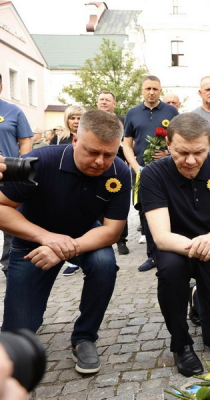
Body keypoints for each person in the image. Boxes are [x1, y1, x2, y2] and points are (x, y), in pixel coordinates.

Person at [0, 110, 130, 374]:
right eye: (92, 152)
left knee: (105, 262)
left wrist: (61, 249)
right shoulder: (38, 161)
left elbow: (112, 232)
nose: (100, 161)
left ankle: (85, 338)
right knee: (16, 338)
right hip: (32, 241)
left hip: (84, 237)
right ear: (74, 139)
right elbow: (2, 208)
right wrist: (46, 238)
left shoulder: (120, 172)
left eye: (109, 154)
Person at [140, 113, 210, 376]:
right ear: (169, 146)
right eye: (182, 152)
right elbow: (162, 236)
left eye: (199, 152)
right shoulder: (152, 174)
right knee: (172, 270)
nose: (191, 160)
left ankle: (196, 296)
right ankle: (181, 343)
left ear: (209, 145)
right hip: (174, 250)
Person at [123, 75, 179, 272]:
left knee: (171, 209)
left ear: (160, 90)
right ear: (142, 90)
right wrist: (136, 166)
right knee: (147, 212)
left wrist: (168, 152)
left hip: (168, 168)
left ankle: (171, 252)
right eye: (148, 88)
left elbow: (178, 139)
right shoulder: (132, 113)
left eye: (155, 88)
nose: (151, 92)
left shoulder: (171, 111)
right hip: (143, 172)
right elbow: (127, 144)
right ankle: (152, 256)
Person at [0, 73, 33, 275]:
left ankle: (8, 262)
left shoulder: (13, 111)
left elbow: (25, 141)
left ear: (1, 86)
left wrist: (22, 168)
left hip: (8, 177)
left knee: (11, 222)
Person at [97, 90, 129, 255]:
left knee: (119, 202)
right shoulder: (91, 120)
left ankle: (121, 240)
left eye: (107, 100)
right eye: (101, 99)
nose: (104, 102)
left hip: (118, 167)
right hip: (96, 167)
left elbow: (129, 144)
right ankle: (99, 236)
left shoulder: (123, 121)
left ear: (114, 104)